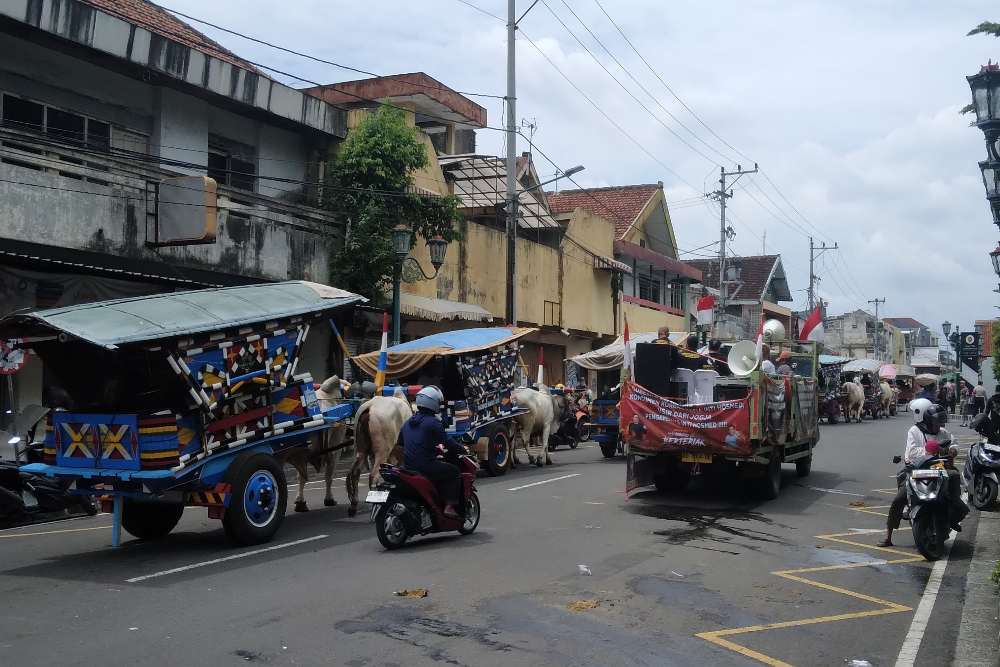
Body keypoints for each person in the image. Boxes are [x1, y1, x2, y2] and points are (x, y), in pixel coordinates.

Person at [880, 399, 968, 547]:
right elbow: (912, 452)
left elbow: (954, 443)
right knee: (899, 499)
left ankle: (952, 517)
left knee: (954, 484)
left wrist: (953, 450)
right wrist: (931, 450)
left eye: (941, 423)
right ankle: (888, 536)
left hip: (939, 468)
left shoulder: (943, 433)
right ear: (927, 420)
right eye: (937, 422)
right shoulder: (914, 431)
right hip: (917, 469)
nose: (939, 426)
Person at [400, 386, 465, 518]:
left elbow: (400, 442)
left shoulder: (407, 423)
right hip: (425, 466)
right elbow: (448, 442)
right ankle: (449, 506)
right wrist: (462, 448)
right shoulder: (433, 423)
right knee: (454, 472)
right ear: (433, 402)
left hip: (407, 467)